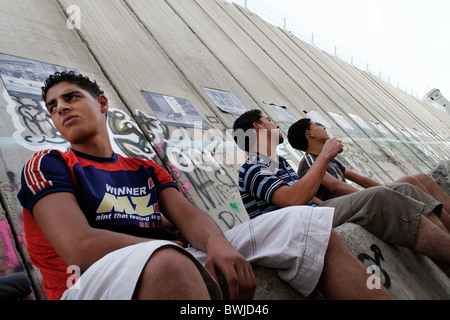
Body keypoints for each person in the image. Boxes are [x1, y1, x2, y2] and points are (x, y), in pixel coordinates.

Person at [17, 72, 390, 301]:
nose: (61, 109)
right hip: (89, 285)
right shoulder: (49, 164)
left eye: (71, 98)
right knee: (168, 262)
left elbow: (189, 214)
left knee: (301, 222)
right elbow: (79, 248)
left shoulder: (143, 167)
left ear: (101, 103)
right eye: (52, 107)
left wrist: (215, 243)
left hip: (165, 257)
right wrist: (171, 246)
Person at [233, 109, 450, 279]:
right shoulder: (253, 167)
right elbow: (292, 200)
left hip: (313, 214)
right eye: (269, 120)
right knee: (380, 197)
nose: (276, 124)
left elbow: (309, 198)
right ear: (258, 127)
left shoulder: (278, 163)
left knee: (403, 189)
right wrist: (325, 156)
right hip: (299, 227)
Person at [289, 118, 450, 233]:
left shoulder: (330, 160)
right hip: (344, 207)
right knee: (407, 185)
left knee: (420, 179)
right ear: (309, 133)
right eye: (317, 125)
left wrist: (388, 191)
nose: (323, 127)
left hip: (358, 199)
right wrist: (379, 196)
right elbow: (335, 186)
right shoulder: (310, 162)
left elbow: (363, 180)